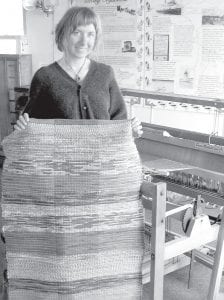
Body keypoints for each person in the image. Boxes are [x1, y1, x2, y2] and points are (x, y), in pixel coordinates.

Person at [15, 6, 142, 138]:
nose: (84, 41)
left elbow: (119, 121)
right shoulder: (45, 77)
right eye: (76, 33)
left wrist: (130, 131)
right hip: (60, 157)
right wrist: (24, 126)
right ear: (63, 34)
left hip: (102, 157)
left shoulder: (105, 74)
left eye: (90, 34)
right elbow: (32, 126)